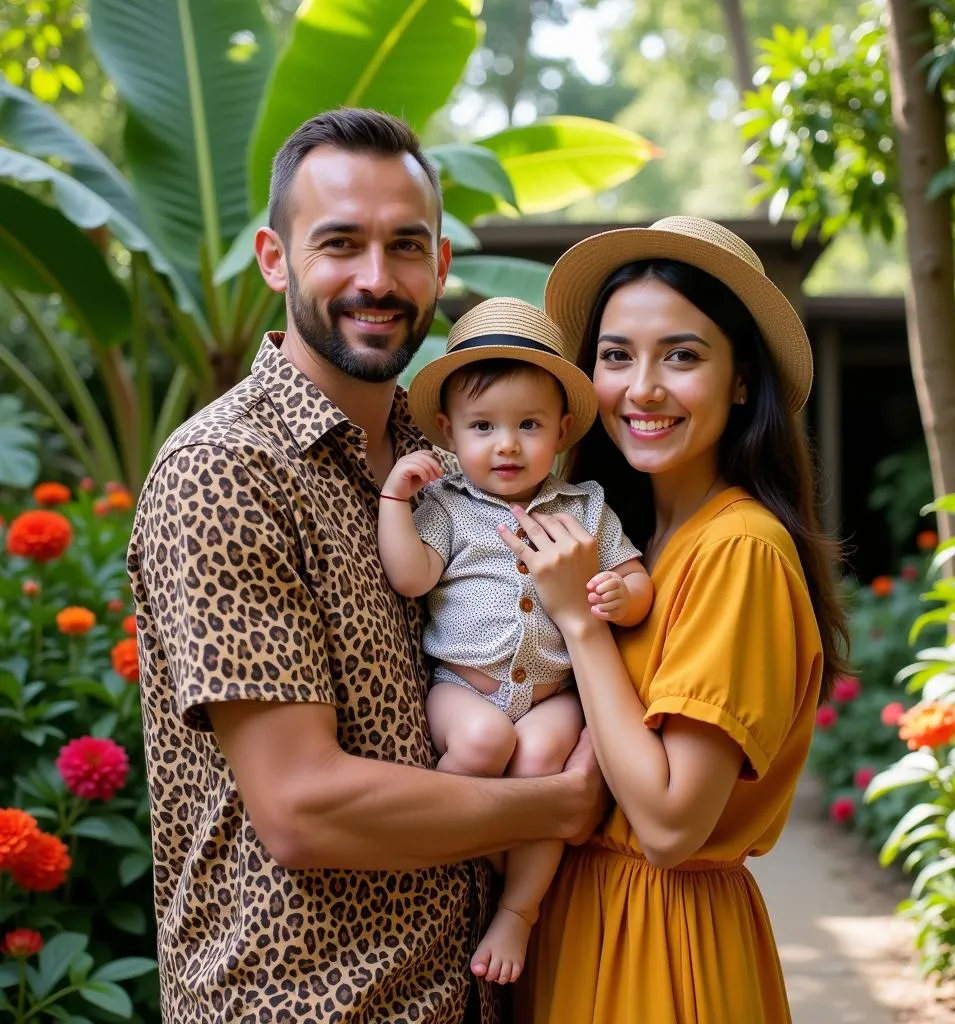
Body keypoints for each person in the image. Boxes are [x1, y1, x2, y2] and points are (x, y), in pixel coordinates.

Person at [126, 108, 605, 1024]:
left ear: (441, 266)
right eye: (340, 243)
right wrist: (557, 803)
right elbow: (304, 809)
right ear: (275, 258)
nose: (377, 280)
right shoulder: (227, 471)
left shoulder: (454, 461)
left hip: (459, 994)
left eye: (406, 246)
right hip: (299, 1006)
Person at [509, 216, 851, 1023]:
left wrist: (581, 624)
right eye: (618, 355)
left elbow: (668, 824)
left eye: (683, 355)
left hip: (664, 948)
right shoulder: (634, 542)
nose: (644, 388)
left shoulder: (740, 551)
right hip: (580, 925)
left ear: (741, 381)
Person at [377, 297, 653, 987]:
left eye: (528, 425)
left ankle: (518, 910)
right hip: (463, 687)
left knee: (540, 763)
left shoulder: (585, 506)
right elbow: (411, 579)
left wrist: (623, 596)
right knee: (481, 745)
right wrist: (394, 503)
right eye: (483, 426)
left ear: (561, 431)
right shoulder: (444, 508)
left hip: (552, 691)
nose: (506, 445)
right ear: (447, 431)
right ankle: (423, 846)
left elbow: (632, 572)